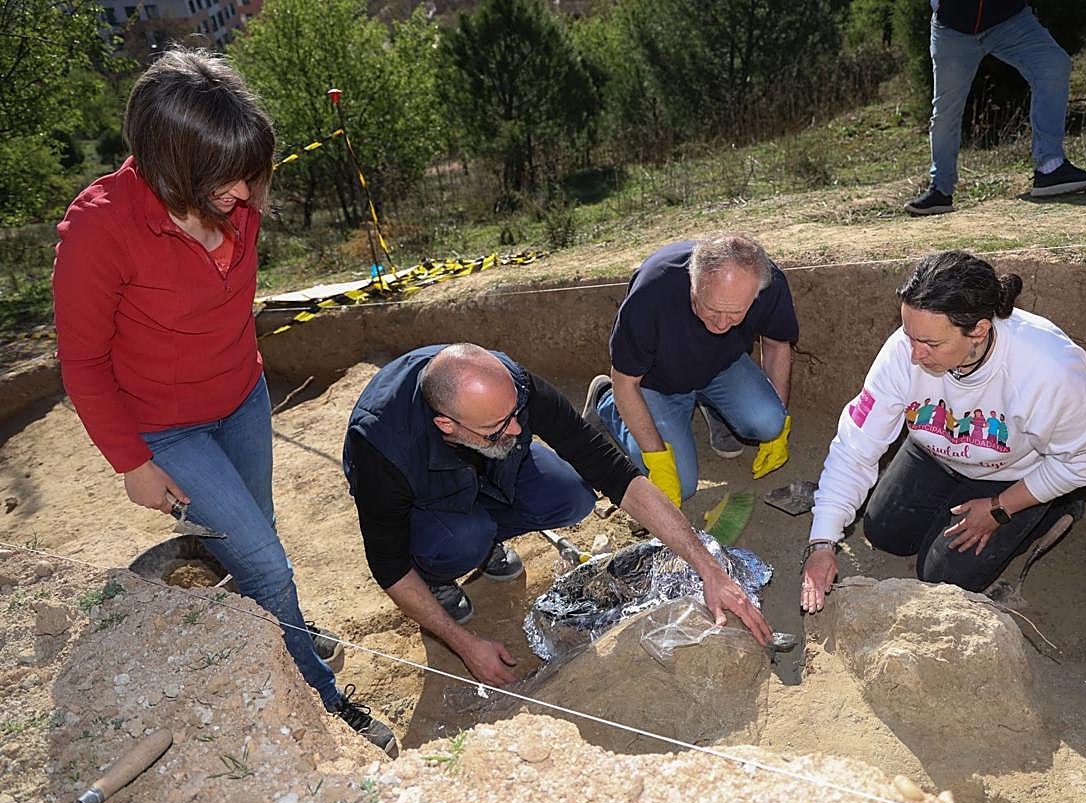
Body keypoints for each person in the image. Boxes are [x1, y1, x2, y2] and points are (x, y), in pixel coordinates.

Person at [51, 48, 396, 755]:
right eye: (227, 179)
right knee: (266, 563)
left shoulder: (232, 193)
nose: (247, 193)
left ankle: (276, 629)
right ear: (173, 163)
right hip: (165, 429)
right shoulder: (99, 229)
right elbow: (82, 361)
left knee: (258, 536)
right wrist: (131, 462)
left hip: (241, 397)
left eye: (251, 171)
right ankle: (318, 701)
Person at [343, 343, 772, 686]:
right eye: (497, 427)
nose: (515, 430)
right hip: (428, 502)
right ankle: (445, 572)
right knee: (461, 541)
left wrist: (708, 568)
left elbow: (615, 474)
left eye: (516, 417)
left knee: (572, 496)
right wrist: (462, 643)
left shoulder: (513, 387)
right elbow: (388, 564)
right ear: (447, 426)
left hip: (489, 470)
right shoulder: (381, 449)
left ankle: (487, 532)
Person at [800, 250, 1086, 613]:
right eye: (909, 336)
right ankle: (959, 497)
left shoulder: (1048, 371)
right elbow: (854, 448)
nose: (915, 355)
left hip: (1013, 473)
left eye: (931, 344)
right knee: (885, 532)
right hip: (936, 451)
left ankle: (1052, 507)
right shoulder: (904, 351)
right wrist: (821, 543)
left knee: (942, 577)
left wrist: (1000, 508)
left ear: (978, 329)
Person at [582, 235, 798, 506]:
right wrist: (658, 459)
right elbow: (625, 381)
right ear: (693, 285)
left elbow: (777, 345)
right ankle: (606, 401)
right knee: (681, 486)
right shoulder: (652, 291)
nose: (721, 324)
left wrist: (779, 427)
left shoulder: (768, 282)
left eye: (735, 314)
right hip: (655, 381)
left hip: (722, 365)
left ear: (755, 294)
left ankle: (715, 407)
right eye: (711, 309)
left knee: (769, 421)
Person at [904, 0, 1086, 216]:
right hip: (953, 28)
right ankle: (940, 191)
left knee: (1053, 64)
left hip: (1010, 20)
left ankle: (1050, 167)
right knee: (946, 112)